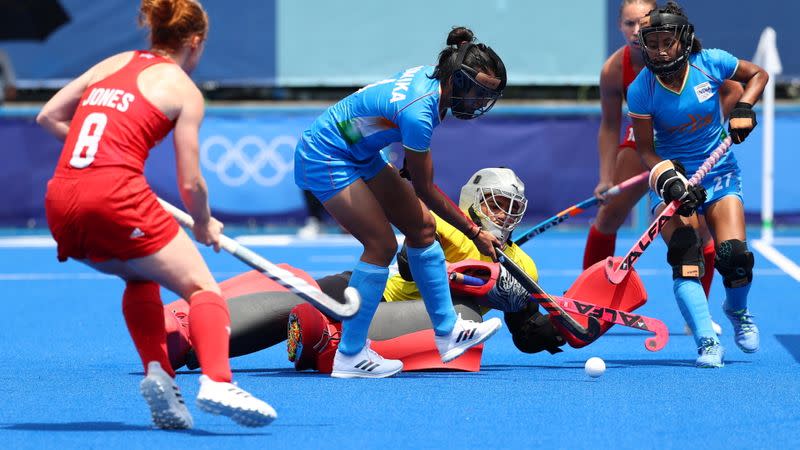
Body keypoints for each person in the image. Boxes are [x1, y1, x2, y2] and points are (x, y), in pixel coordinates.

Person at [37, 0, 275, 429]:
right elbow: (191, 184)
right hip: (113, 197)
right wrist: (203, 222)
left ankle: (160, 374)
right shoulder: (183, 89)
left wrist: (102, 157)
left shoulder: (114, 62)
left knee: (139, 274)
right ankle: (218, 381)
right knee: (203, 288)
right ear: (195, 43)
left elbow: (48, 115)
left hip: (60, 201)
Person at [162, 168, 568, 373]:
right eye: (497, 203)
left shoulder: (523, 264)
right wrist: (457, 273)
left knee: (465, 318)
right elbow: (410, 262)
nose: (505, 214)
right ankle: (186, 332)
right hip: (379, 292)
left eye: (512, 207)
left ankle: (327, 339)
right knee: (298, 292)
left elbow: (526, 331)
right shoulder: (450, 226)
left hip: (404, 321)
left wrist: (559, 327)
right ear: (473, 201)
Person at [293, 26, 506, 378]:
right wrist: (474, 232)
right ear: (458, 80)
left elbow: (379, 119)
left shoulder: (434, 82)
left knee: (422, 229)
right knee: (380, 244)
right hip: (325, 154)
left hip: (357, 147)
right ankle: (350, 356)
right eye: (478, 92)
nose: (480, 102)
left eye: (488, 95)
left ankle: (448, 332)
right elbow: (426, 189)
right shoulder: (420, 113)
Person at [583, 0, 744, 335]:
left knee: (699, 229)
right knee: (609, 215)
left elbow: (734, 89)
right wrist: (605, 177)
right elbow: (610, 126)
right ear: (619, 27)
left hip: (687, 150)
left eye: (642, 22)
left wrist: (703, 131)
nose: (636, 30)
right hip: (640, 145)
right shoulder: (615, 68)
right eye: (628, 24)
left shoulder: (688, 56)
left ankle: (696, 316)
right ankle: (592, 306)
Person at [627, 1, 767, 367]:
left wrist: (744, 108)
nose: (660, 50)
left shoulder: (712, 63)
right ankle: (707, 342)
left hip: (719, 174)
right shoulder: (641, 89)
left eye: (667, 41)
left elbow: (759, 76)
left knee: (735, 258)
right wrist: (669, 180)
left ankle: (736, 311)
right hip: (675, 179)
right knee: (686, 258)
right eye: (652, 42)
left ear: (683, 40)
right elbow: (645, 150)